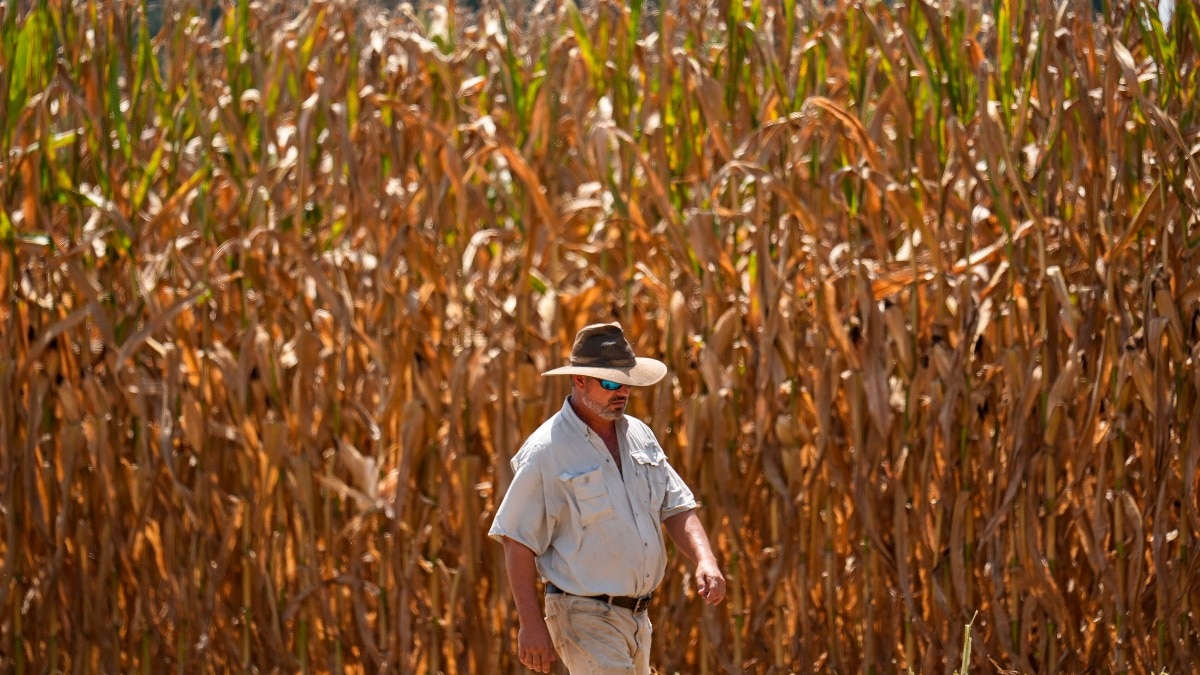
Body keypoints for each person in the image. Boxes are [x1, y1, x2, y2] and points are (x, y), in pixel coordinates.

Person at [489, 322, 726, 674]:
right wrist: (530, 623)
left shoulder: (641, 436)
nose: (622, 393)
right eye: (611, 383)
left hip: (637, 619)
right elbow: (516, 540)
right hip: (582, 617)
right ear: (579, 381)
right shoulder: (546, 452)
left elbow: (676, 506)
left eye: (626, 383)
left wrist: (705, 560)